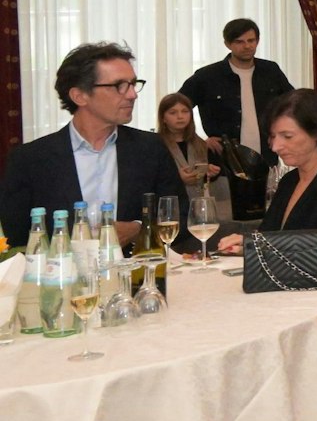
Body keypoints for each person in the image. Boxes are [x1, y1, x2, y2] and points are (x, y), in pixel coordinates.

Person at [0, 42, 188, 251]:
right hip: (62, 278)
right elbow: (17, 239)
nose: (132, 94)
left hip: (137, 277)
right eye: (119, 86)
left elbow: (180, 215)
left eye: (133, 84)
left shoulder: (150, 148)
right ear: (80, 96)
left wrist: (137, 229)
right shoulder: (30, 159)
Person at [217, 89, 317, 306]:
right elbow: (271, 236)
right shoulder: (289, 181)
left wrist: (266, 248)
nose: (275, 146)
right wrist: (248, 241)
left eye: (287, 136)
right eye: (273, 136)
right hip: (284, 297)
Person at [178, 18, 295, 219]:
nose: (247, 46)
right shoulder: (208, 76)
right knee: (227, 217)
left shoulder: (271, 71)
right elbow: (177, 107)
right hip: (224, 161)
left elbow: (293, 105)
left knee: (266, 215)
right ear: (228, 44)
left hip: (266, 157)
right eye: (240, 41)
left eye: (252, 40)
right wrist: (197, 140)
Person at [156, 92, 226, 220]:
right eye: (173, 113)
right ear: (163, 118)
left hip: (199, 207)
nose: (180, 116)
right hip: (170, 210)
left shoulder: (200, 143)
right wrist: (177, 178)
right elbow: (151, 177)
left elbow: (206, 178)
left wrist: (207, 171)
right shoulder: (156, 144)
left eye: (185, 111)